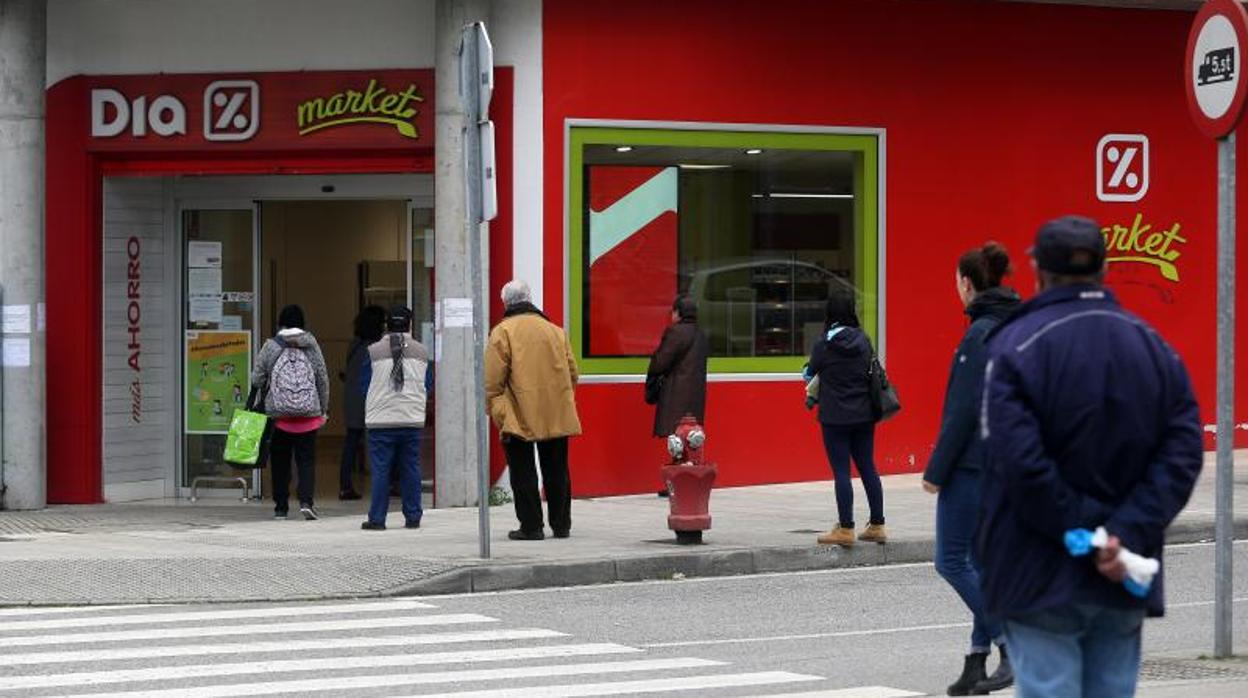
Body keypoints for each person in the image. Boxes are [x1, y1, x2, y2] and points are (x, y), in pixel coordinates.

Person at [978, 216, 1203, 698]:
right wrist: (1123, 532)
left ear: (1036, 269)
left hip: (1037, 568)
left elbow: (1019, 464)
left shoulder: (1015, 347)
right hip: (1120, 569)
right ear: (1105, 268)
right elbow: (1182, 453)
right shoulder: (1154, 347)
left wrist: (1087, 531)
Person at [922, 242, 1020, 695]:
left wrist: (936, 470)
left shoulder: (979, 334)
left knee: (951, 560)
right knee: (981, 560)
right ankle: (978, 660)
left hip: (972, 465)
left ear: (966, 283)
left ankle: (1011, 643)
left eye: (955, 281)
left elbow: (962, 409)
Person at [485, 279, 581, 541]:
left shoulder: (502, 332)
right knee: (557, 468)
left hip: (517, 412)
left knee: (523, 470)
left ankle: (531, 526)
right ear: (530, 298)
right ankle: (561, 525)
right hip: (555, 409)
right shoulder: (555, 331)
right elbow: (573, 372)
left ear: (505, 302)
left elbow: (493, 381)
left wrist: (497, 411)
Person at [805, 292, 886, 547]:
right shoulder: (864, 340)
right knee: (867, 467)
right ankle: (877, 525)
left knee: (842, 471)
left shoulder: (823, 344)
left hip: (835, 417)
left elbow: (809, 374)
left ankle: (846, 529)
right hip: (864, 416)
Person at [251, 304, 330, 521]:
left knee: (280, 461)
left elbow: (257, 379)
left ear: (280, 323)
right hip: (308, 415)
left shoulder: (271, 345)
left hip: (279, 416)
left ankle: (281, 507)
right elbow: (322, 378)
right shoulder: (311, 343)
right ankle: (306, 502)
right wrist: (322, 409)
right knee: (306, 460)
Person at [359, 306, 432, 531]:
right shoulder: (421, 352)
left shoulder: (371, 351)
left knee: (381, 470)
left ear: (386, 325)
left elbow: (363, 385)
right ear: (410, 324)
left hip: (381, 420)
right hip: (410, 419)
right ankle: (413, 516)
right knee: (411, 467)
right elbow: (428, 384)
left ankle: (377, 519)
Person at [646, 296, 709, 496]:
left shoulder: (675, 333)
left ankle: (677, 482)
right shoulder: (701, 334)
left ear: (678, 313)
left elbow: (661, 362)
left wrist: (653, 366)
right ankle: (689, 481)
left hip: (676, 391)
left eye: (673, 311)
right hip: (695, 391)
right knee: (691, 436)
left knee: (677, 439)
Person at [338, 304, 386, 500]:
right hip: (369, 398)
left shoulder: (354, 344)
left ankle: (345, 484)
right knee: (378, 443)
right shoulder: (375, 348)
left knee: (351, 442)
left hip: (351, 398)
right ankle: (385, 484)